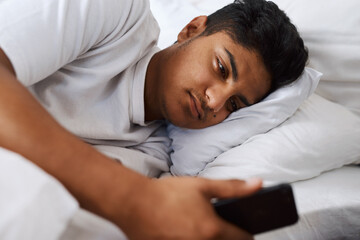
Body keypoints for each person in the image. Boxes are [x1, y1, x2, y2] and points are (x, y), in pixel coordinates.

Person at [0, 0, 307, 239]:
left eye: (234, 105)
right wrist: (135, 199)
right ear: (191, 30)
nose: (215, 102)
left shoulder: (155, 160)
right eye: (221, 69)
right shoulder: (118, 17)